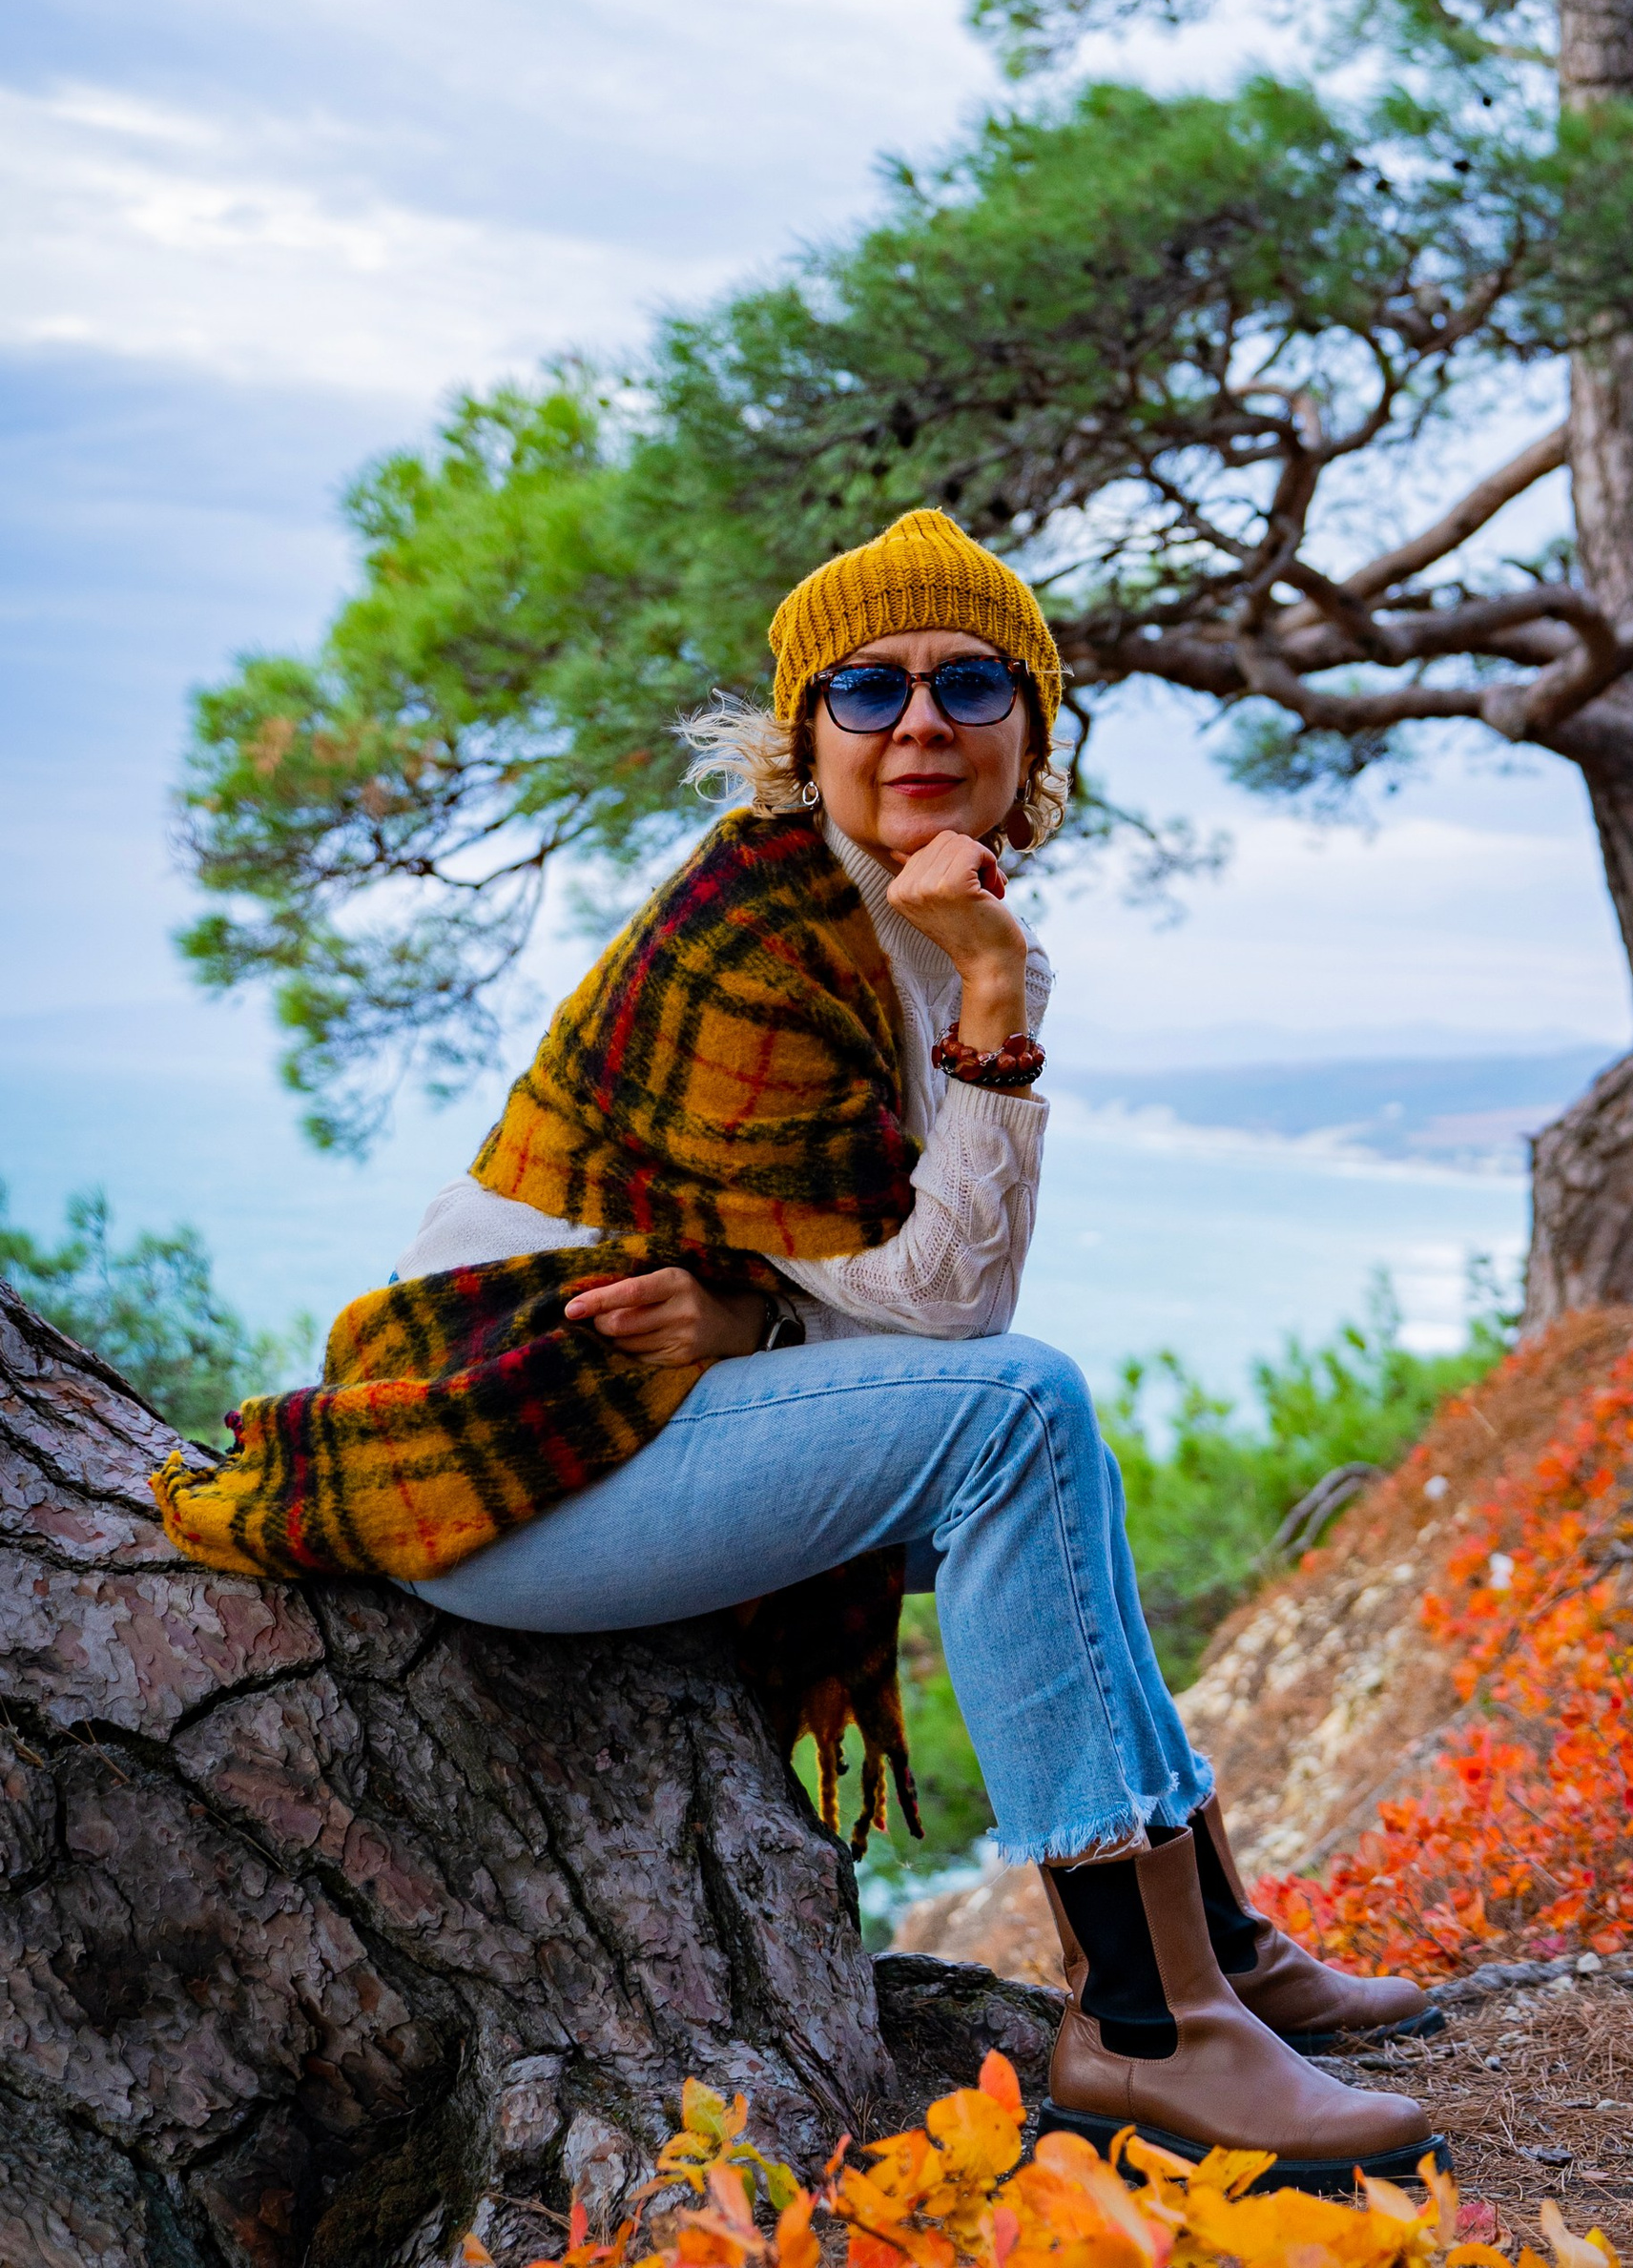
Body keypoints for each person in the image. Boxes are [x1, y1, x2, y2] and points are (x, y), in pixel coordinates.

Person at [154, 510, 1443, 2182]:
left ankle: (1214, 1945)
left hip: (642, 1429)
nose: (921, 722)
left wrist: (759, 1304)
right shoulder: (762, 927)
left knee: (1044, 1447)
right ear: (802, 736)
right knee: (1016, 1410)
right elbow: (946, 1316)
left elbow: (855, 1277)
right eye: (868, 688)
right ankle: (1142, 2026)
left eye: (972, 682)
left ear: (1031, 734)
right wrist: (989, 1003)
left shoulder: (905, 918)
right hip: (508, 1463)